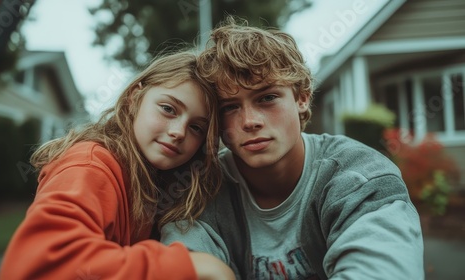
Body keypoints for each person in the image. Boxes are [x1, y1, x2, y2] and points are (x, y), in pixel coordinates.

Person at [161, 17, 424, 279]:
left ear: (301, 97)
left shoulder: (361, 176)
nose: (250, 121)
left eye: (267, 98)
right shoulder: (198, 189)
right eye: (229, 107)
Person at [0, 50, 235, 280]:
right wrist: (190, 266)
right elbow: (37, 267)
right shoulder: (90, 165)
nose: (178, 132)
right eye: (168, 109)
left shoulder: (159, 184)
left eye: (196, 127)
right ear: (135, 98)